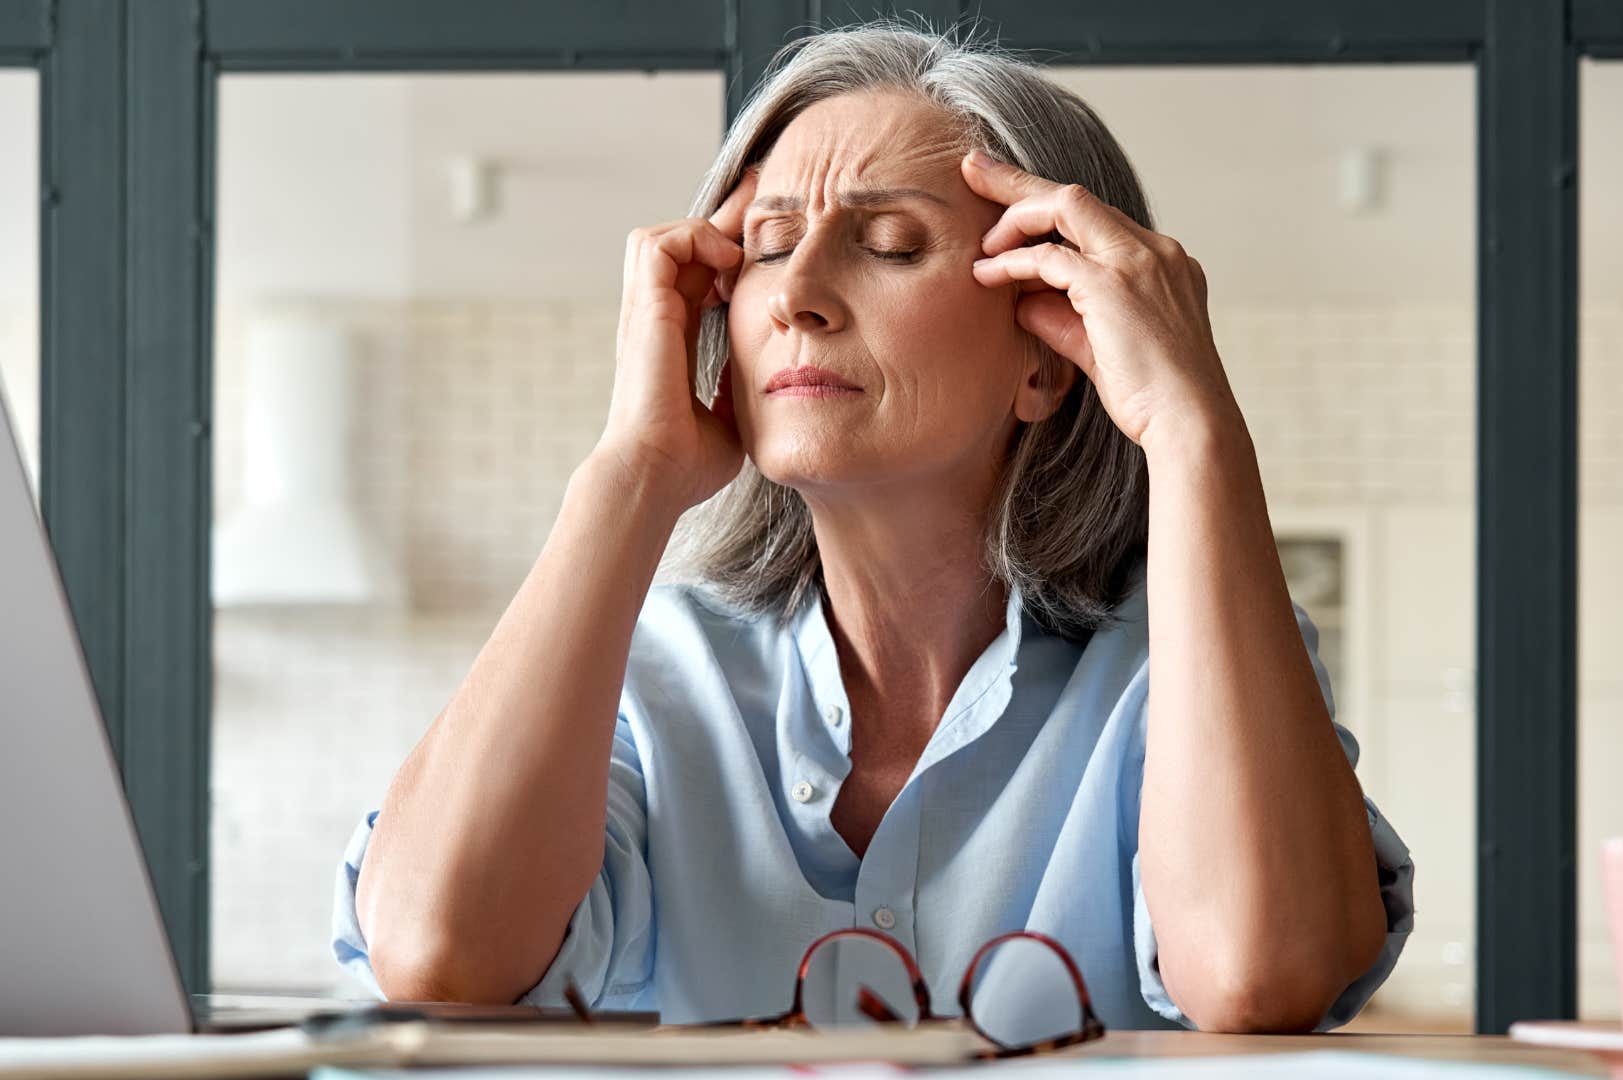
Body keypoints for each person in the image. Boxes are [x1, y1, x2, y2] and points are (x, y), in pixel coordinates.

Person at [331, 17, 1414, 1034]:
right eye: (764, 245)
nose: (797, 292)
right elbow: (438, 956)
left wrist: (1193, 432)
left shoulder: (1178, 670)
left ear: (1052, 352)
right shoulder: (647, 676)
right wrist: (629, 474)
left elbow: (1266, 974)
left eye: (891, 244)